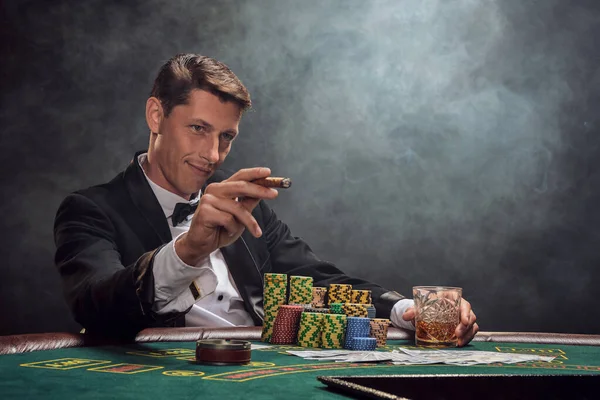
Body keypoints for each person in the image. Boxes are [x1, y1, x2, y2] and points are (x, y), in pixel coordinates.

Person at [54, 53, 478, 344]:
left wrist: (406, 308)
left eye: (227, 137)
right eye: (198, 129)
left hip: (265, 365)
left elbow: (319, 280)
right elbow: (97, 307)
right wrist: (188, 250)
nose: (213, 155)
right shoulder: (90, 209)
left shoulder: (245, 205)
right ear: (156, 115)